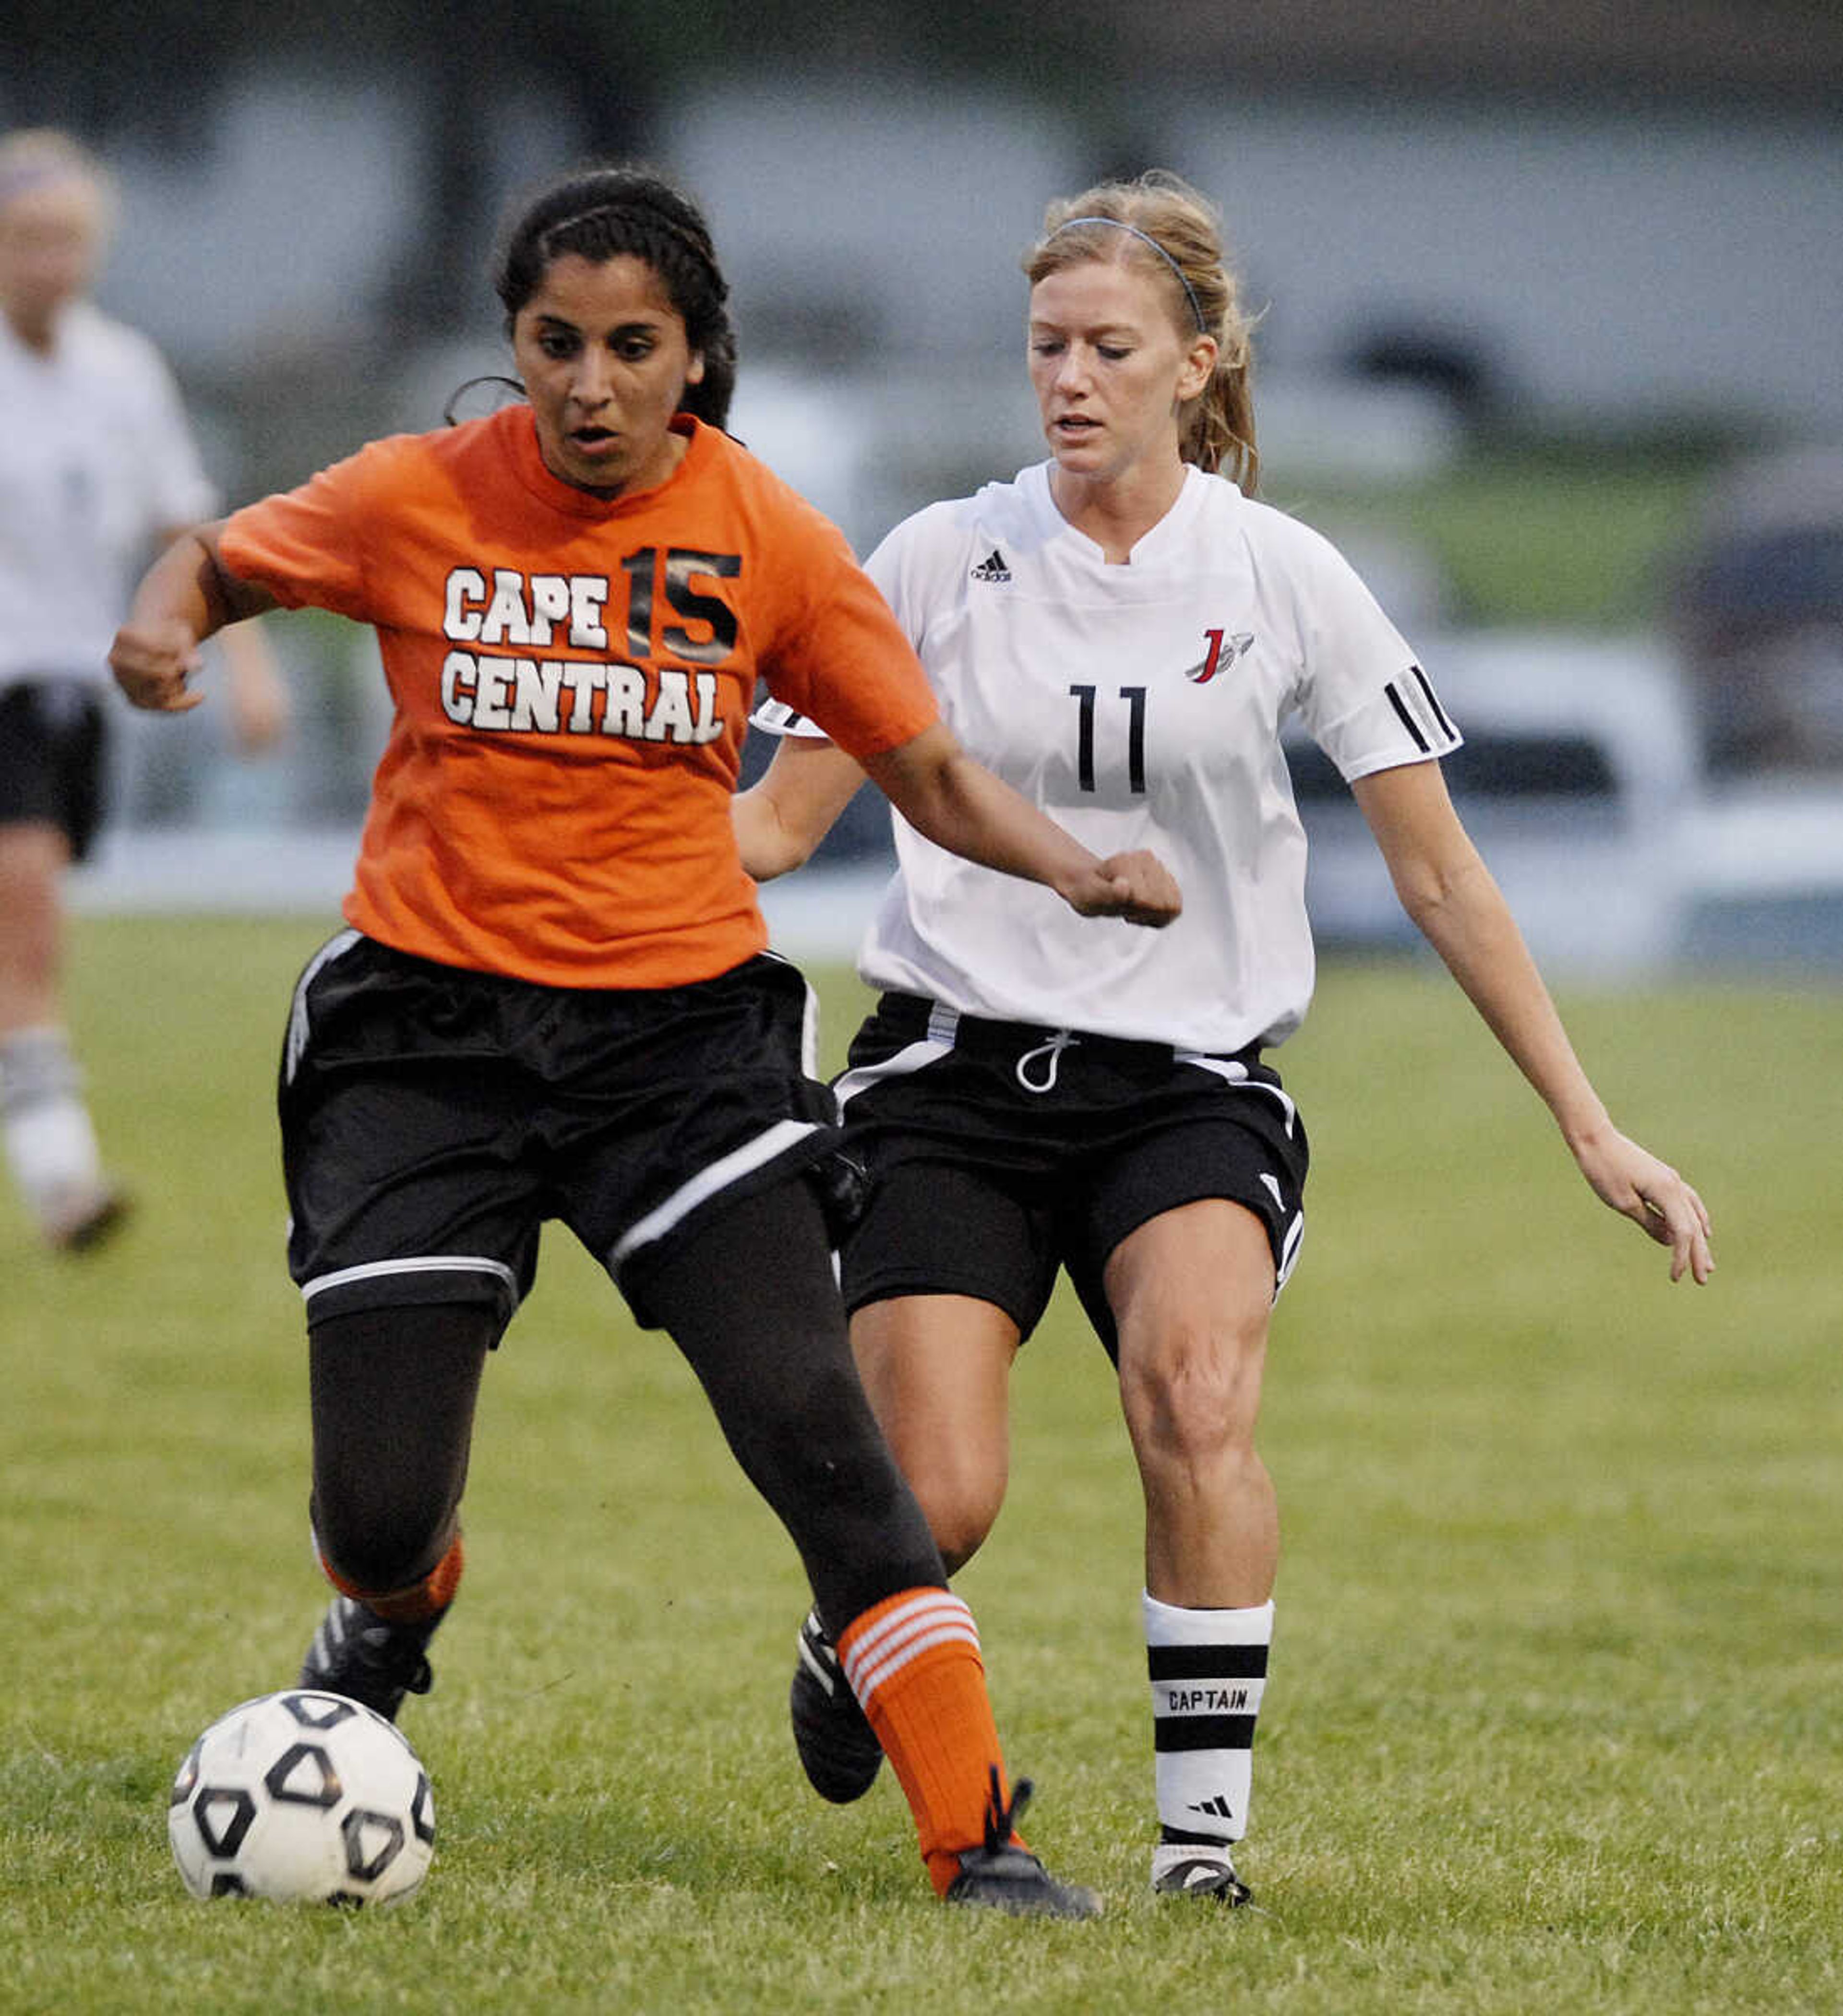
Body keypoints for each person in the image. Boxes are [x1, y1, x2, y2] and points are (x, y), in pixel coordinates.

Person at [109, 163, 1187, 1918]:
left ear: (695, 354)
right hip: (426, 1043)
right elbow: (217, 561)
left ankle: (978, 1840)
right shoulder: (416, 492)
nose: (590, 384)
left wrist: (1076, 868)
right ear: (516, 344)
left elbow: (919, 770)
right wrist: (168, 627)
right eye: (556, 344)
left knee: (824, 1436)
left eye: (631, 346)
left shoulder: (767, 535)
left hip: (680, 1053)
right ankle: (386, 1613)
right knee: (380, 1508)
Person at [732, 169, 1715, 1908]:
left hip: (1185, 1092)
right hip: (949, 1078)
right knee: (937, 1504)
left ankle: (1202, 1858)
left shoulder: (1285, 576)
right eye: (1047, 346)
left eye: (1112, 346)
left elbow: (1443, 875)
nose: (1071, 379)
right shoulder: (939, 558)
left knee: (1194, 1395)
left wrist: (1592, 1122)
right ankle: (851, 1620)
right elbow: (778, 826)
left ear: (1199, 361)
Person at [0, 128, 286, 1251]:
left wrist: (248, 665)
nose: (48, 262)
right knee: (25, 916)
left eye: (66, 239)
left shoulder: (122, 372)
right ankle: (60, 1170)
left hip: (73, 690)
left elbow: (189, 529)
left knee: (27, 917)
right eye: (26, 240)